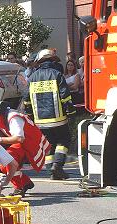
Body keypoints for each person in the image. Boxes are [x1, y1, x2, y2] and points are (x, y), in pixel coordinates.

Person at [0, 95, 50, 196]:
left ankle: (20, 188)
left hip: (27, 143)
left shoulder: (13, 117)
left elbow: (20, 138)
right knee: (3, 164)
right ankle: (25, 182)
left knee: (7, 162)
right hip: (17, 143)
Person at [23, 49, 76, 180]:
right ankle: (57, 165)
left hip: (40, 121)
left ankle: (51, 171)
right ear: (53, 61)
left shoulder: (32, 78)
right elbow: (65, 97)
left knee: (48, 144)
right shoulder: (57, 74)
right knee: (64, 140)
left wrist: (30, 116)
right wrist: (71, 112)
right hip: (58, 119)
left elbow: (26, 100)